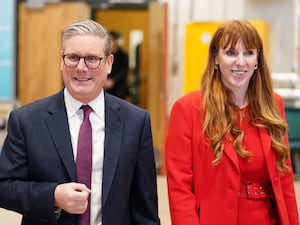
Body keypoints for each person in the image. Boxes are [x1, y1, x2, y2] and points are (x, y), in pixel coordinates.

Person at [0, 19, 160, 225]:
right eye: (73, 57)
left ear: (109, 63)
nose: (81, 68)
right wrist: (53, 196)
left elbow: (144, 207)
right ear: (61, 61)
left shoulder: (136, 122)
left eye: (92, 59)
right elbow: (4, 186)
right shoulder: (27, 120)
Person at [165, 20, 300, 225]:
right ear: (216, 58)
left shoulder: (273, 104)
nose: (240, 62)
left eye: (248, 53)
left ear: (257, 60)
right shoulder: (187, 109)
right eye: (230, 53)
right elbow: (180, 189)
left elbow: (285, 179)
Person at [104, 30, 129, 100]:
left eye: (112, 40)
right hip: (106, 85)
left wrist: (113, 80)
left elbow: (124, 70)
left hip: (119, 86)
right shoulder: (104, 54)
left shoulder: (123, 54)